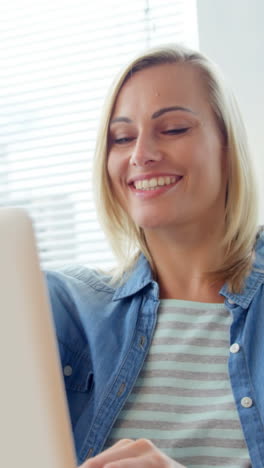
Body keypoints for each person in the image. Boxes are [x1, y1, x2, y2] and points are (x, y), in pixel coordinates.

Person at [46, 44, 264, 468]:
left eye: (175, 129)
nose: (140, 154)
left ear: (227, 145)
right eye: (122, 138)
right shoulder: (59, 310)